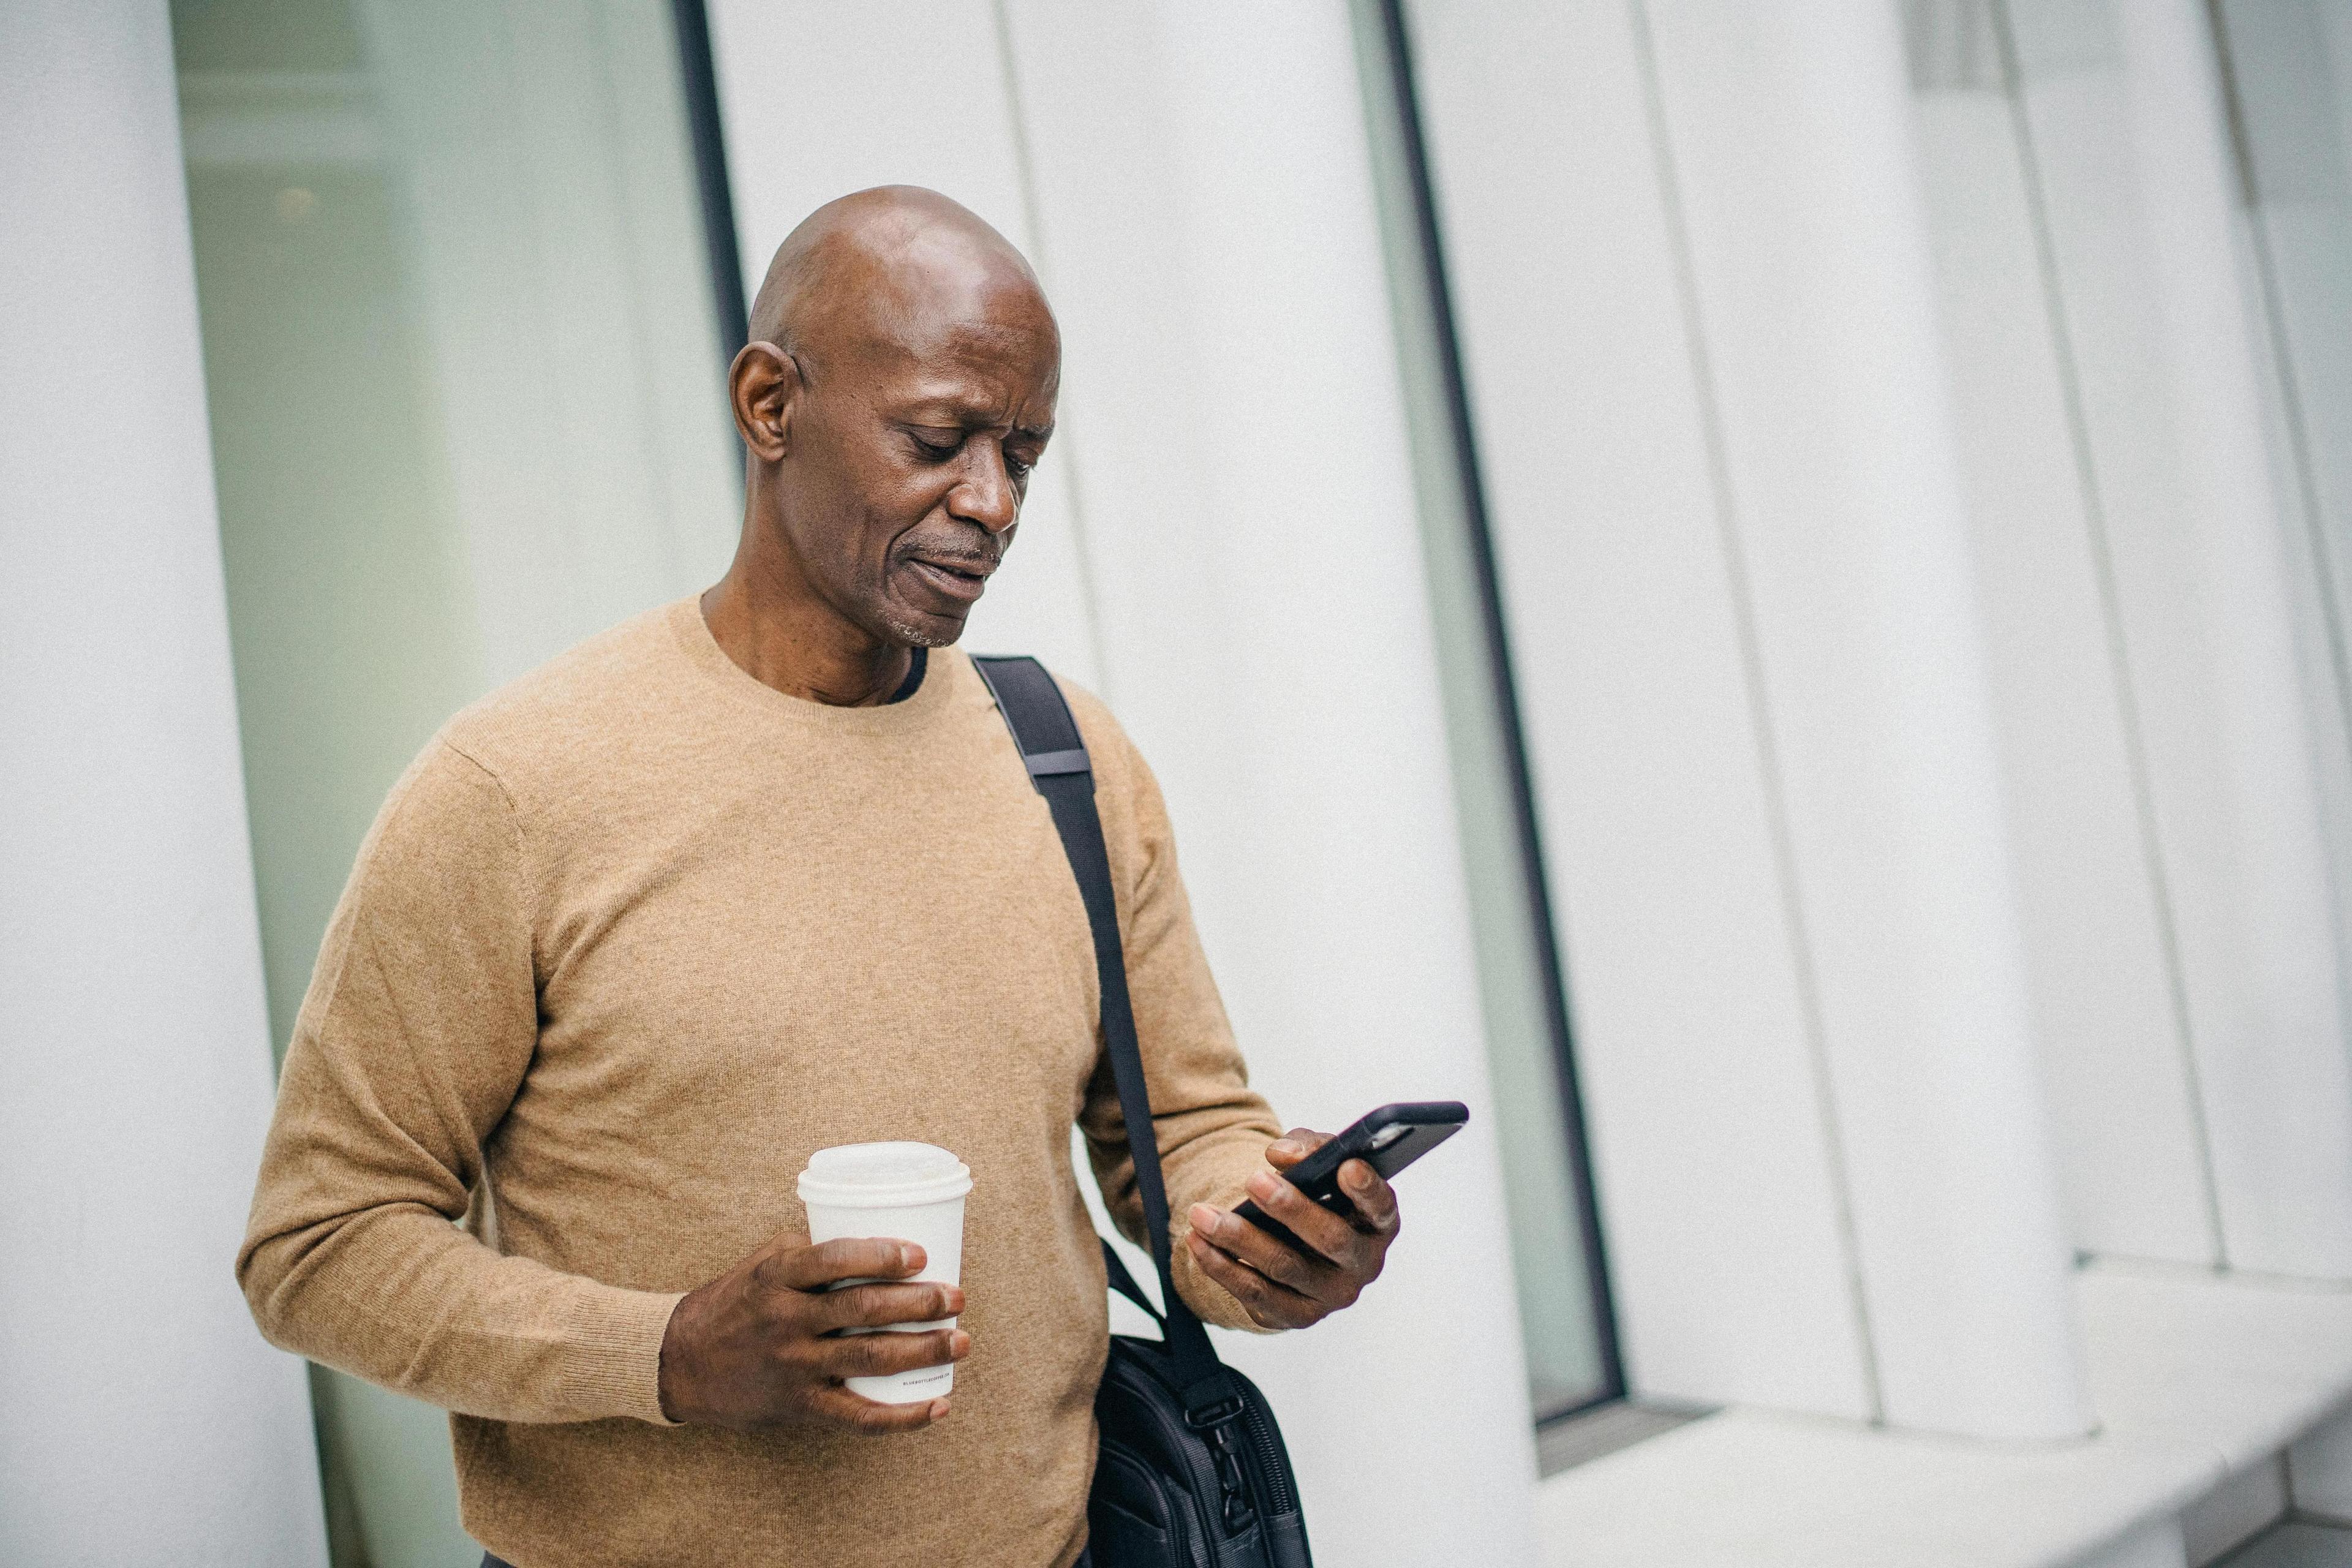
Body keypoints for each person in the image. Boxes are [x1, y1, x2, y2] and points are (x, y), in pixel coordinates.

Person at [238, 186, 1403, 1568]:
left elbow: (1185, 1128)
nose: (990, 502)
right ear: (770, 403)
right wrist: (668, 1350)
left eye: (1023, 455)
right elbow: (320, 1244)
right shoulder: (516, 788)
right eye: (937, 439)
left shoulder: (1066, 760)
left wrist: (1261, 1234)